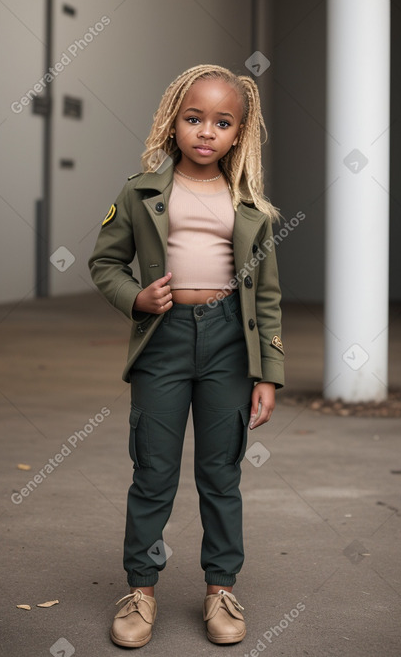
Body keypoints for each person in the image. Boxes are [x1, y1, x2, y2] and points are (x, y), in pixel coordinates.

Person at [88, 64, 285, 648]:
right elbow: (104, 265)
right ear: (174, 121)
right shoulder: (142, 190)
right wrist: (138, 299)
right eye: (194, 118)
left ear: (239, 134)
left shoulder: (252, 207)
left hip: (229, 341)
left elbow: (267, 296)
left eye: (222, 123)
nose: (206, 132)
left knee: (221, 472)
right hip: (164, 340)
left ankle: (220, 587)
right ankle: (141, 590)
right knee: (153, 470)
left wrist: (267, 375)